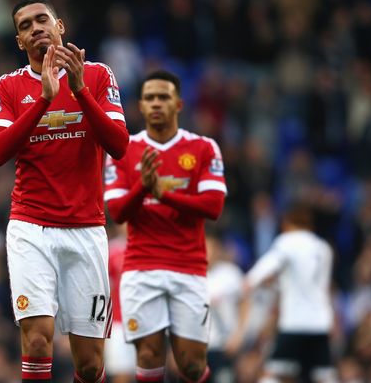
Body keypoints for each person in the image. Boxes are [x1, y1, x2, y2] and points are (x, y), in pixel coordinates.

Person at [0, 0, 130, 383]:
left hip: (85, 227)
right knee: (36, 340)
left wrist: (80, 90)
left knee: (88, 363)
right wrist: (43, 100)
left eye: (41, 20)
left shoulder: (98, 75)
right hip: (31, 226)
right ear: (19, 42)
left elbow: (118, 144)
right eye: (25, 26)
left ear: (59, 26)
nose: (35, 29)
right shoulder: (8, 87)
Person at [104, 69, 227, 382]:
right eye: (149, 98)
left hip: (189, 267)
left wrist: (162, 194)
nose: (156, 103)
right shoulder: (123, 150)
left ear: (179, 104)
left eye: (163, 97)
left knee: (191, 364)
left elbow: (213, 207)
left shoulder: (203, 148)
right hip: (141, 267)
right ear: (141, 106)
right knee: (148, 354)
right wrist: (143, 188)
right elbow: (117, 211)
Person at [230, 203, 336, 383]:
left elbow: (270, 263)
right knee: (323, 375)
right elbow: (318, 287)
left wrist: (250, 280)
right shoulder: (324, 248)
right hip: (320, 322)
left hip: (295, 322)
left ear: (287, 223)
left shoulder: (288, 241)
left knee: (273, 373)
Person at [205, 233, 243, 383]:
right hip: (197, 347)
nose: (207, 252)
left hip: (225, 346)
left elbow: (246, 303)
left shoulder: (231, 274)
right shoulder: (190, 275)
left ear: (218, 249)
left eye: (211, 247)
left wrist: (239, 334)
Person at [103, 222, 136, 383]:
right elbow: (101, 290)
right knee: (121, 375)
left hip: (146, 322)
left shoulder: (148, 250)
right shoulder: (111, 251)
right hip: (118, 323)